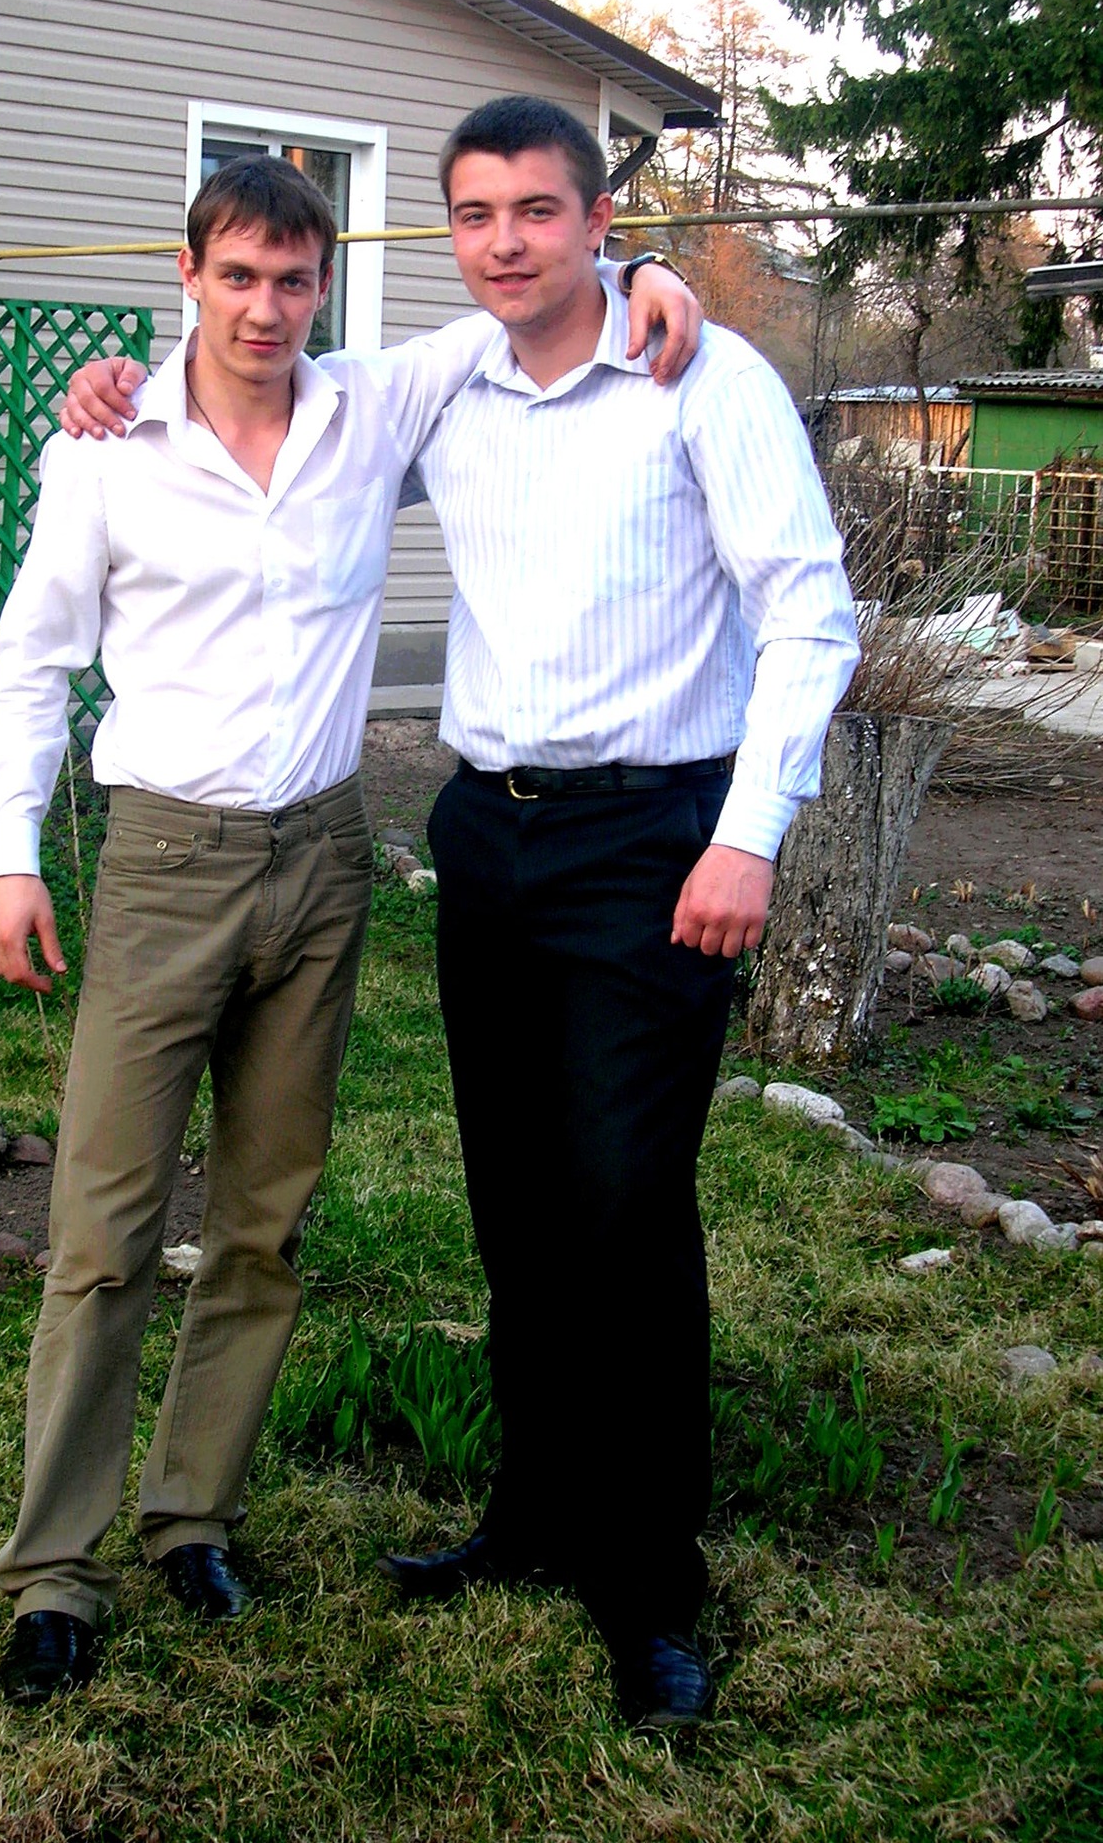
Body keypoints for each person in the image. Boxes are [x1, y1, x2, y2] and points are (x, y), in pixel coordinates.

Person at [65, 96, 858, 1733]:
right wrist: (124, 379)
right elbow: (262, 376)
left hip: (656, 842)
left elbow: (809, 613)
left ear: (598, 222)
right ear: (448, 231)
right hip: (489, 838)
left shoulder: (701, 378)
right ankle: (537, 1514)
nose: (508, 242)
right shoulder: (438, 391)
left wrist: (748, 836)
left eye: (542, 212)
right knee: (518, 1203)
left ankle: (647, 1583)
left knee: (624, 1207)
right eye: (478, 214)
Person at [0, 150, 700, 1706]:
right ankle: (54, 1574)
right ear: (187, 278)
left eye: (294, 280)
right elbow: (31, 661)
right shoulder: (105, 450)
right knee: (103, 1229)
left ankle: (194, 1518)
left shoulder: (375, 408)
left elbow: (533, 298)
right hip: (165, 863)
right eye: (236, 277)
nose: (265, 307)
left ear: (326, 286)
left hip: (319, 864)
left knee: (263, 1220)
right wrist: (11, 856)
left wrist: (646, 272)